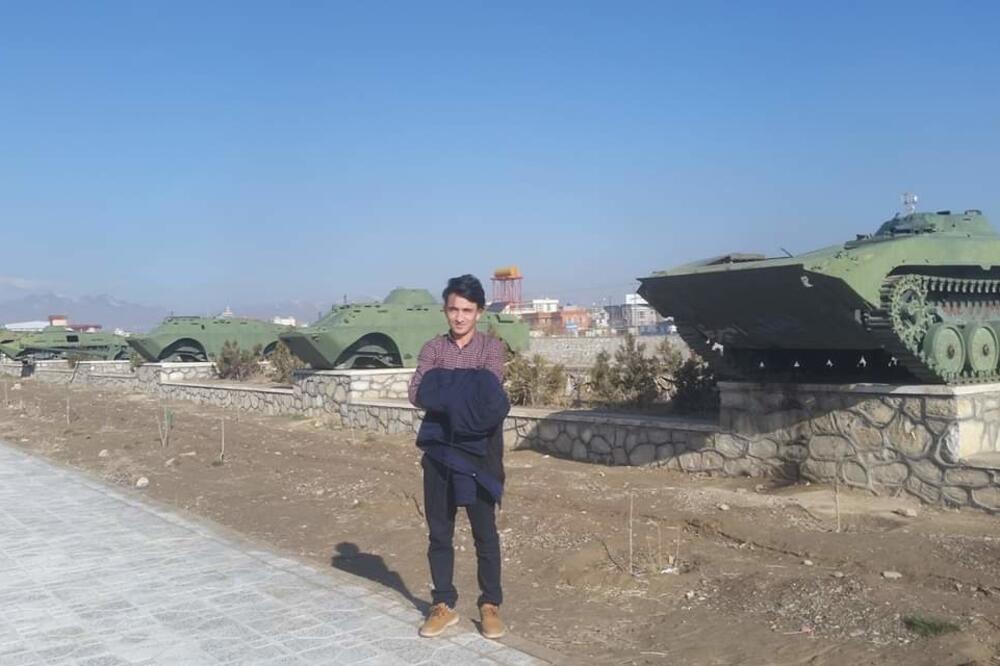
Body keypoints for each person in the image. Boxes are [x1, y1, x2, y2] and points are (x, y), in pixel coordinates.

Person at [408, 274, 509, 640]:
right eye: (454, 309)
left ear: (479, 312)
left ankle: (490, 605)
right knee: (439, 533)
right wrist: (466, 389)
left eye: (467, 310)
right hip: (439, 453)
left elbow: (490, 401)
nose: (460, 317)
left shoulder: (492, 349)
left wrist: (443, 388)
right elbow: (417, 393)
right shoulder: (433, 348)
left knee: (485, 533)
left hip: (481, 454)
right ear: (445, 310)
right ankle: (443, 604)